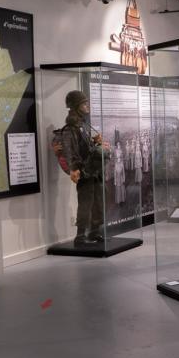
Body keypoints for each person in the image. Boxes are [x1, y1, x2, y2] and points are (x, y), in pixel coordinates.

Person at [62, 90, 109, 246]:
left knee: (97, 203)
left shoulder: (83, 125)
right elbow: (70, 151)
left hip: (93, 170)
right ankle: (80, 237)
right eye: (83, 103)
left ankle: (94, 233)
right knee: (85, 204)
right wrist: (74, 169)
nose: (87, 106)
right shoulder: (71, 128)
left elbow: (86, 148)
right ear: (76, 106)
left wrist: (96, 143)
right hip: (84, 170)